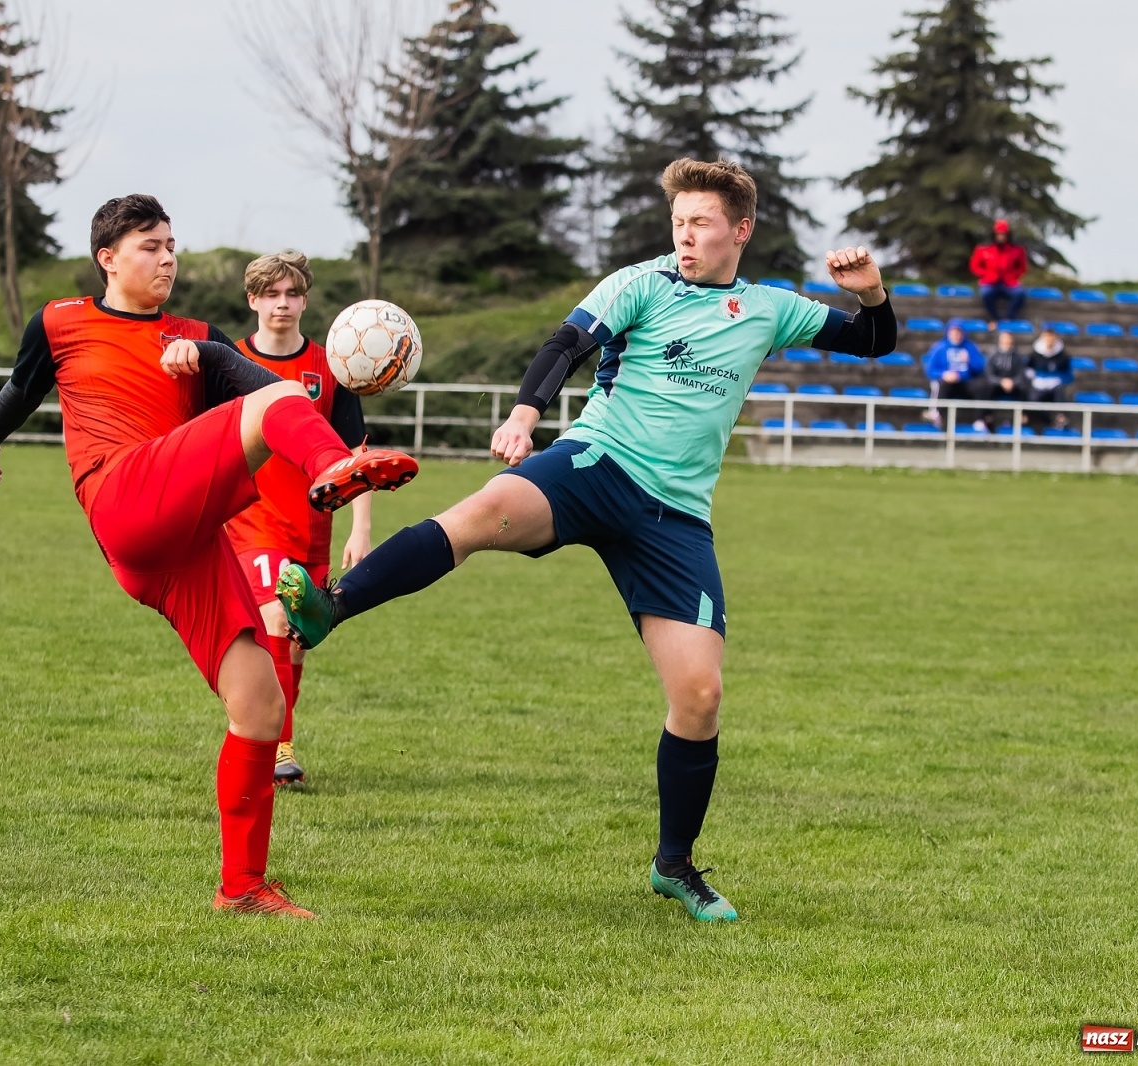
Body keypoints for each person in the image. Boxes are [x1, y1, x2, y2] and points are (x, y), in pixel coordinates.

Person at [274, 159, 898, 923]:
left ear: (741, 229)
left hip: (673, 515)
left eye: (700, 223)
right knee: (474, 518)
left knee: (699, 696)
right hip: (593, 463)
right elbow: (566, 344)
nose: (686, 237)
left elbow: (874, 340)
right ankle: (332, 609)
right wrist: (527, 414)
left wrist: (869, 287)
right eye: (678, 223)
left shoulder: (769, 308)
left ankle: (675, 865)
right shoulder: (640, 284)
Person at [0, 194, 418, 919]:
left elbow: (275, 393)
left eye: (172, 244)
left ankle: (241, 888)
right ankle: (333, 470)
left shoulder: (199, 336)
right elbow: (19, 393)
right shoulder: (60, 321)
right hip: (123, 498)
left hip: (175, 547)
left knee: (261, 705)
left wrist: (207, 354)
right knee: (277, 418)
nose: (168, 257)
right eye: (150, 246)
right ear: (108, 257)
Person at [227, 251, 372, 786]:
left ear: (305, 300)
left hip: (311, 526)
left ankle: (270, 729)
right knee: (276, 623)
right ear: (254, 301)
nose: (281, 304)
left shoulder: (332, 368)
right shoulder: (231, 361)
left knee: (298, 641)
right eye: (271, 294)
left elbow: (354, 455)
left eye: (291, 294)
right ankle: (277, 749)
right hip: (250, 520)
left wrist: (360, 527)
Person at [923, 320, 987, 430]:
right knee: (941, 385)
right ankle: (937, 415)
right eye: (953, 332)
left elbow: (980, 368)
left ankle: (980, 420)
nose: (956, 335)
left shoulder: (970, 347)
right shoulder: (939, 347)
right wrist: (944, 374)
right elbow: (930, 370)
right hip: (947, 383)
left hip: (965, 382)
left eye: (958, 332)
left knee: (982, 387)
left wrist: (969, 361)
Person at [969, 218, 1029, 326]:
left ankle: (1008, 318)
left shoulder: (1017, 250)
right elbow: (974, 266)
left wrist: (1014, 276)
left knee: (1019, 293)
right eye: (999, 234)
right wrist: (985, 275)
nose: (1001, 237)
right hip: (990, 281)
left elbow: (1022, 268)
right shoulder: (983, 249)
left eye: (1003, 234)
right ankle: (995, 319)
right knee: (985, 293)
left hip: (1009, 282)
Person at [1025, 324, 1074, 428]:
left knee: (1061, 393)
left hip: (1056, 387)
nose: (1049, 339)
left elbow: (1068, 374)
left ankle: (1060, 418)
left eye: (1051, 336)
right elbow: (1029, 370)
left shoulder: (1062, 356)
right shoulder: (1035, 354)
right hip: (1039, 385)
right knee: (1032, 399)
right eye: (1046, 336)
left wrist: (1058, 379)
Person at [982, 331, 1029, 429]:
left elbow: (1021, 375)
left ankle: (1023, 417)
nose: (1007, 342)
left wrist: (1012, 382)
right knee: (987, 388)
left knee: (1024, 388)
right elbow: (989, 375)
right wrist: (1001, 382)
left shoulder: (1017, 357)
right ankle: (987, 417)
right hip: (997, 385)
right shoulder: (993, 356)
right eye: (1004, 339)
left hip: (1013, 386)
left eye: (1009, 340)